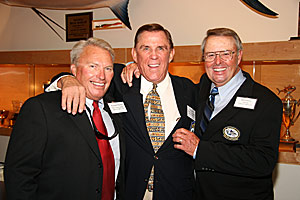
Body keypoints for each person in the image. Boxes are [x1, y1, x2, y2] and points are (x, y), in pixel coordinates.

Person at [47, 23, 196, 200]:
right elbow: (87, 75)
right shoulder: (119, 81)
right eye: (145, 48)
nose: (154, 56)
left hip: (176, 192)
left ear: (171, 54)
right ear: (135, 54)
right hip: (130, 191)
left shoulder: (190, 89)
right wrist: (66, 80)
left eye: (161, 48)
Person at [4, 37, 125, 200]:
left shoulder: (115, 106)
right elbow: (19, 175)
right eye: (92, 66)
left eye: (108, 68)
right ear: (74, 70)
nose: (101, 75)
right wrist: (64, 79)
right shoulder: (41, 108)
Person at [172, 28, 283, 200]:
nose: (217, 62)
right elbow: (172, 85)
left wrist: (200, 149)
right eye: (210, 55)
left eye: (225, 54)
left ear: (239, 56)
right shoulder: (201, 88)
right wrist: (136, 68)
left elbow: (262, 161)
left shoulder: (266, 102)